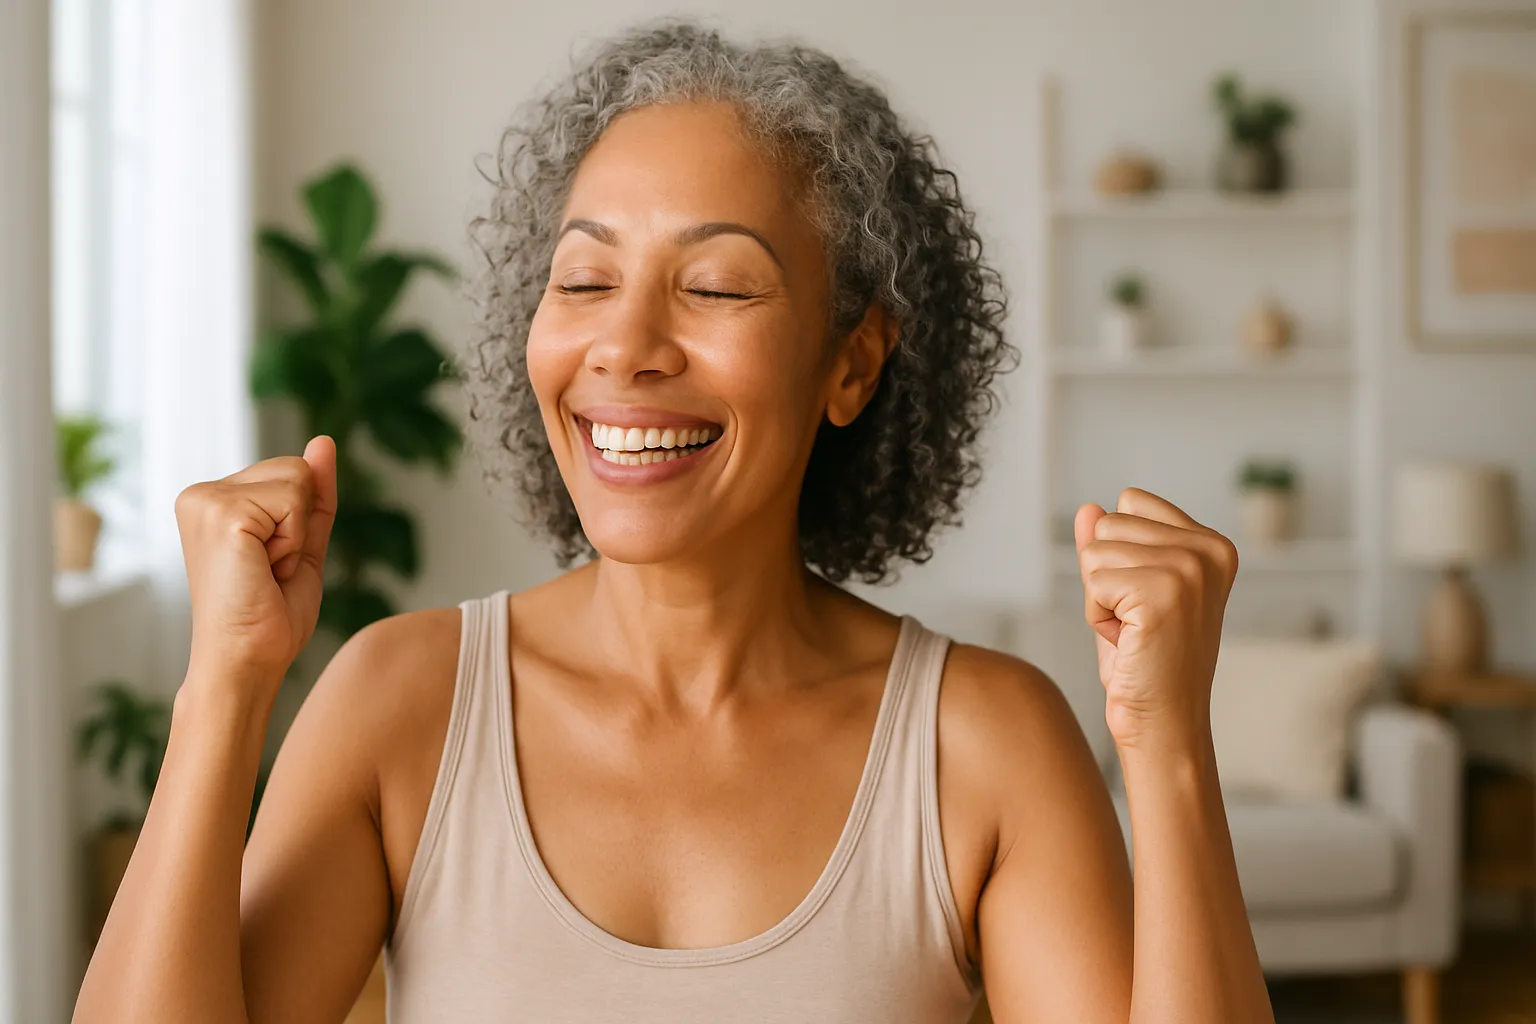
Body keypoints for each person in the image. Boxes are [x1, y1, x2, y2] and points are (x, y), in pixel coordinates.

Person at [75, 21, 1273, 1024]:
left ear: (851, 364)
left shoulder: (986, 742)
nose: (626, 348)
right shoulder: (402, 702)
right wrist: (223, 691)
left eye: (715, 287)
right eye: (585, 280)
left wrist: (1167, 741)